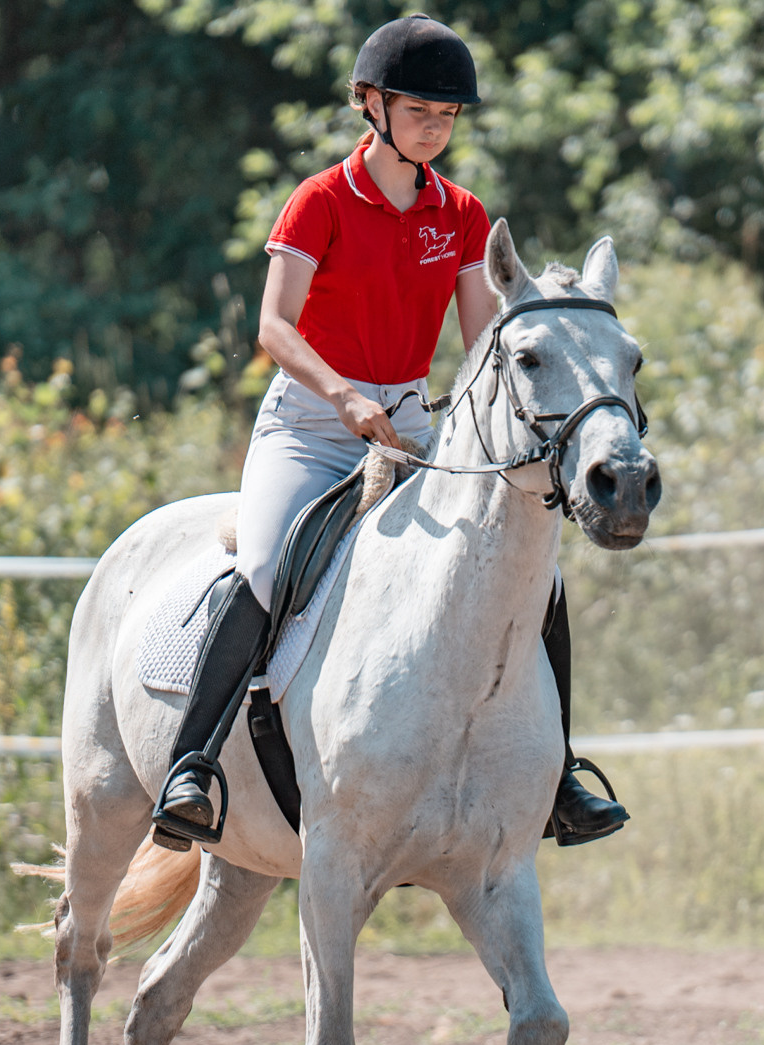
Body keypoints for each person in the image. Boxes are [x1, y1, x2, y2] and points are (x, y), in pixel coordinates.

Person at [152, 13, 629, 852]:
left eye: (448, 116)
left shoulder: (466, 215)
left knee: (539, 581)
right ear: (371, 106)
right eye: (420, 112)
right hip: (311, 424)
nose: (436, 128)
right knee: (264, 565)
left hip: (412, 426)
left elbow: (483, 345)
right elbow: (273, 325)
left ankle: (558, 779)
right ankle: (191, 765)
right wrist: (342, 397)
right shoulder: (322, 201)